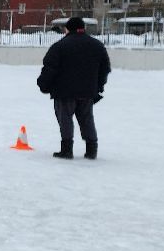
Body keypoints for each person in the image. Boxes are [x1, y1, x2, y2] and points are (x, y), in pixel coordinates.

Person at [37, 15, 111, 159]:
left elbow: (50, 68)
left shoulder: (60, 46)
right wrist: (98, 86)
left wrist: (43, 84)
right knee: (87, 118)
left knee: (65, 118)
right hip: (88, 91)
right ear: (83, 28)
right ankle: (91, 149)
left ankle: (66, 149)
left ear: (67, 29)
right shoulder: (97, 45)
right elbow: (105, 68)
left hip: (64, 91)